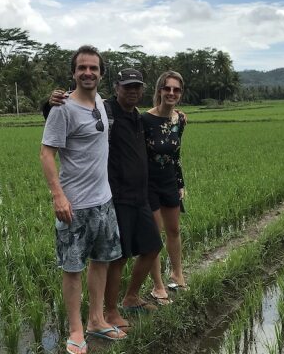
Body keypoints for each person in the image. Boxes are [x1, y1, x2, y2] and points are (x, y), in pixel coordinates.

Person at [45, 68, 165, 330]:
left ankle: (131, 297)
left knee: (153, 245)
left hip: (140, 195)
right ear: (117, 87)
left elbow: (162, 116)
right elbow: (67, 111)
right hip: (116, 195)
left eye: (137, 87)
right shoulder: (106, 109)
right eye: (127, 87)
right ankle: (109, 312)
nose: (132, 91)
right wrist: (50, 101)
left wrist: (179, 115)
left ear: (142, 90)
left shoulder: (138, 117)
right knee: (117, 257)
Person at [40, 45, 126, 354]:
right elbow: (46, 153)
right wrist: (58, 196)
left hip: (104, 201)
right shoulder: (62, 108)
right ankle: (76, 330)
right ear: (74, 73)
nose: (88, 73)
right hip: (74, 206)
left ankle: (97, 320)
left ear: (102, 73)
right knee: (73, 268)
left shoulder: (102, 104)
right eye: (82, 68)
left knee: (101, 262)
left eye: (94, 68)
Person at [143, 71, 188, 303]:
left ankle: (177, 274)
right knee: (154, 236)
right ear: (159, 90)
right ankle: (158, 285)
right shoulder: (145, 120)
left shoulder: (180, 120)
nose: (171, 93)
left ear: (180, 94)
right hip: (149, 183)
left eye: (176, 90)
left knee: (174, 231)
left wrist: (181, 184)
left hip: (170, 180)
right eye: (167, 88)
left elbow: (176, 154)